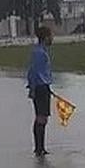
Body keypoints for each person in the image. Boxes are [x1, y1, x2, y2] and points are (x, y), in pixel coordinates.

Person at [27, 26, 54, 156]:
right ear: (45, 38)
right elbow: (33, 72)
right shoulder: (39, 53)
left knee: (43, 118)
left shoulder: (41, 51)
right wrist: (33, 89)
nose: (52, 38)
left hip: (44, 86)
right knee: (41, 118)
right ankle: (39, 148)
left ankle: (40, 147)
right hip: (40, 87)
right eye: (50, 36)